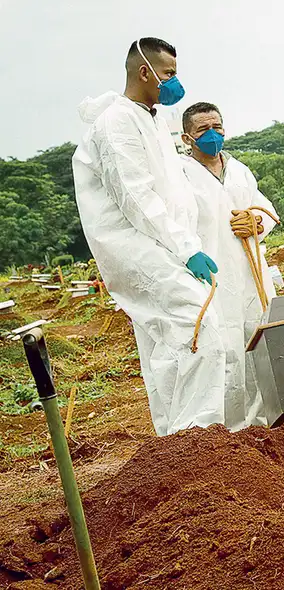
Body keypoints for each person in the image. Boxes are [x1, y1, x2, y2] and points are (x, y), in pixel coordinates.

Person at [72, 38, 227, 436]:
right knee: (200, 325)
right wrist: (187, 248)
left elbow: (171, 192)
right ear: (145, 72)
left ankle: (172, 442)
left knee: (167, 346)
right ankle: (197, 437)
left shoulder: (153, 118)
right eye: (169, 74)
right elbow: (136, 198)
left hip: (164, 245)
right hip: (139, 246)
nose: (176, 83)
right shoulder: (116, 123)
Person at [179, 102, 280, 431]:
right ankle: (231, 433)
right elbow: (176, 224)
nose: (212, 135)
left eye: (217, 127)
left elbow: (264, 209)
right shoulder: (180, 177)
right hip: (213, 278)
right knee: (225, 354)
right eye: (203, 130)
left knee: (260, 343)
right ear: (186, 138)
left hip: (252, 276)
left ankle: (267, 424)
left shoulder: (239, 171)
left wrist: (256, 223)